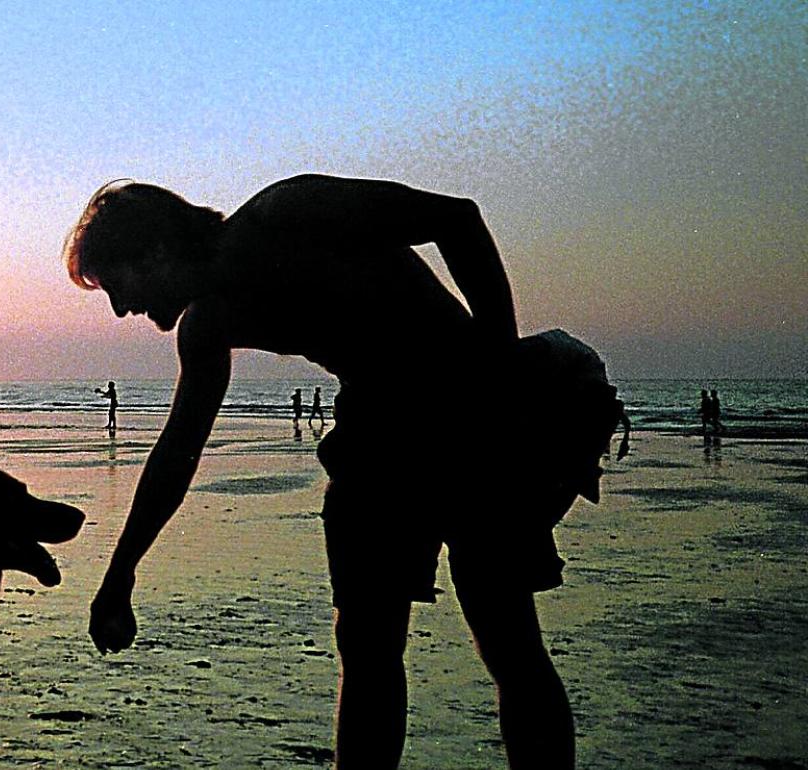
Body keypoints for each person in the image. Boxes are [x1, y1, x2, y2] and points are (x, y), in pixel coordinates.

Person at [65, 175, 574, 768]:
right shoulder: (208, 325)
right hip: (377, 436)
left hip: (471, 412)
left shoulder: (290, 211)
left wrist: (501, 366)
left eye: (116, 286)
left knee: (507, 638)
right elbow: (178, 452)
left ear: (154, 249)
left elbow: (457, 219)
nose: (121, 308)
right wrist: (121, 572)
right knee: (366, 650)